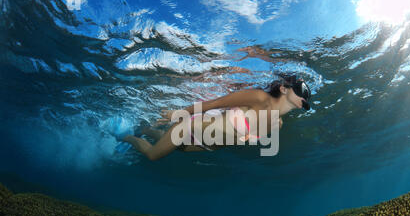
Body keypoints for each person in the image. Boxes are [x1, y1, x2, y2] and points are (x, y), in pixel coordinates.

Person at [120, 74, 312, 161]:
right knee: (153, 155)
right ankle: (125, 137)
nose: (304, 96)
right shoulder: (259, 98)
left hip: (205, 145)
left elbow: (239, 139)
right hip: (190, 127)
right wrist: (180, 113)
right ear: (284, 88)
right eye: (301, 90)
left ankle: (145, 130)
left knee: (172, 146)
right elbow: (213, 104)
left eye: (307, 95)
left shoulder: (277, 125)